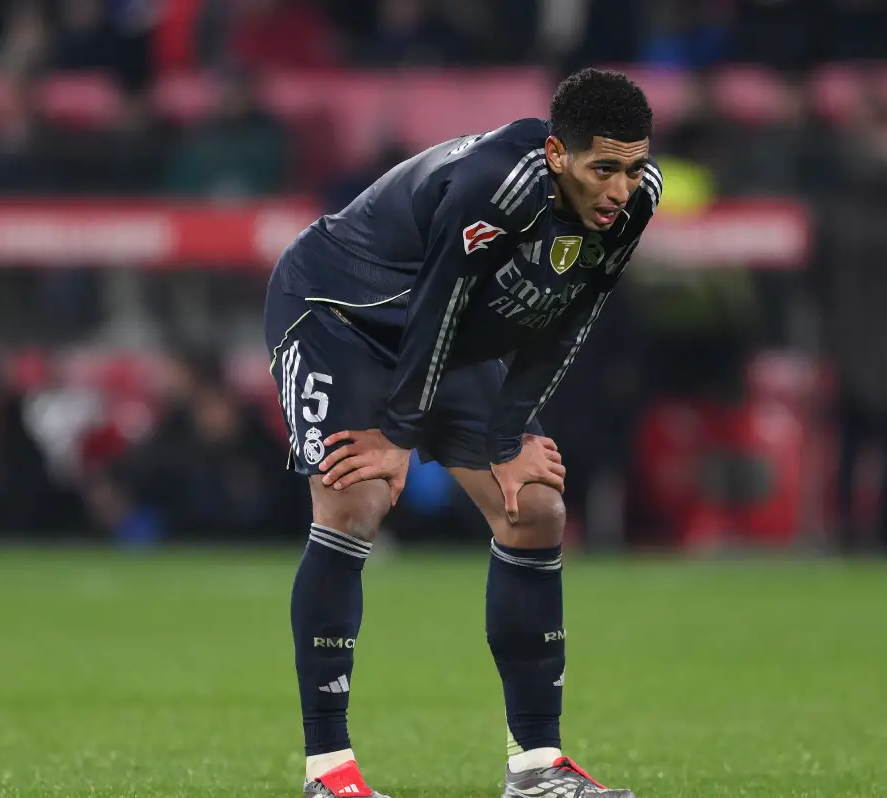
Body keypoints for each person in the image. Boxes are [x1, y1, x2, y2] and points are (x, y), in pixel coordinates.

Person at [264, 67, 661, 798]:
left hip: (444, 335)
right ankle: (330, 775)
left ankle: (538, 768)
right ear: (555, 156)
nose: (621, 188)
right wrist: (397, 436)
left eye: (634, 168)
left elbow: (570, 313)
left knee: (534, 505)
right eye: (604, 168)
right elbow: (439, 297)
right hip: (340, 311)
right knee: (358, 498)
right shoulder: (497, 186)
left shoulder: (635, 204)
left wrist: (507, 439)